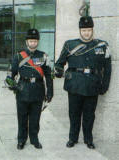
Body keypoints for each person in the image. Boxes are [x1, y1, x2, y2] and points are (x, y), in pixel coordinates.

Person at [54, 16, 111, 149]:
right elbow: (59, 63)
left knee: (89, 115)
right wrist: (58, 71)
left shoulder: (102, 45)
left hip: (93, 85)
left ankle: (88, 139)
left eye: (89, 30)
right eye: (84, 30)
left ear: (92, 30)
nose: (86, 33)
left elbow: (108, 69)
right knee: (74, 114)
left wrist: (105, 85)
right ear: (80, 30)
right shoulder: (70, 45)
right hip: (74, 85)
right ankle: (72, 138)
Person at [7, 28, 53, 150]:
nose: (33, 43)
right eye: (30, 41)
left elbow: (48, 76)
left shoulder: (43, 56)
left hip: (38, 90)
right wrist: (10, 83)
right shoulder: (18, 56)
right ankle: (21, 140)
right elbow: (11, 73)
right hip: (22, 89)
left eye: (35, 41)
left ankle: (34, 139)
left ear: (38, 41)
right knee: (22, 117)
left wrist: (50, 92)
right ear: (26, 41)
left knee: (35, 117)